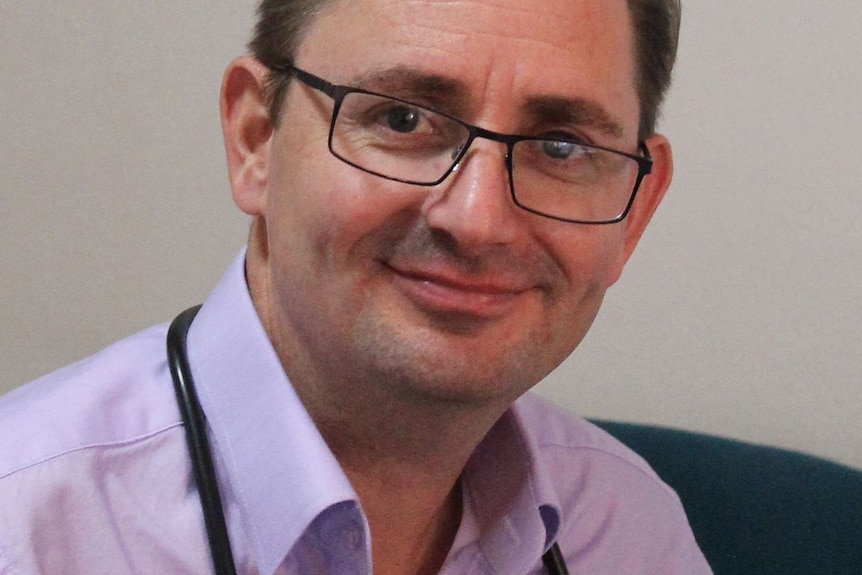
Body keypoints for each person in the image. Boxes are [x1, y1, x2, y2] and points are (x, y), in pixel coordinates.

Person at [0, 0, 712, 573]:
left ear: (636, 211)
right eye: (402, 118)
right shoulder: (26, 531)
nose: (478, 220)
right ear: (256, 138)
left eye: (562, 146)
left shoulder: (625, 529)